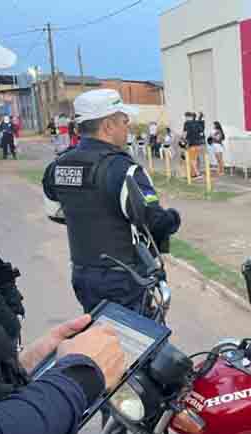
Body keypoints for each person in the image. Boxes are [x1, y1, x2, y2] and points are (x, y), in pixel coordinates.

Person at [0, 25, 126, 434]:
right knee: (116, 354)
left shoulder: (64, 163)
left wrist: (17, 370)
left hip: (83, 269)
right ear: (111, 124)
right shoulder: (121, 167)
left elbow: (53, 193)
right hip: (123, 273)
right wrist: (76, 379)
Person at [42, 89, 182, 313]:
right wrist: (173, 218)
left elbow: (54, 212)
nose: (127, 127)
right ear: (108, 126)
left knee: (98, 335)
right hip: (122, 278)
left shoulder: (58, 166)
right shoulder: (122, 169)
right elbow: (153, 220)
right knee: (134, 341)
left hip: (83, 274)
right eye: (124, 121)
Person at [183, 112, 203, 178]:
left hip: (191, 144)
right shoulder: (197, 123)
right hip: (198, 144)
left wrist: (183, 141)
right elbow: (201, 133)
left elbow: (184, 134)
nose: (185, 118)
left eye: (185, 117)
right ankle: (193, 174)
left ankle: (198, 174)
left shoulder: (187, 123)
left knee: (192, 160)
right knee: (194, 159)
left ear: (188, 117)